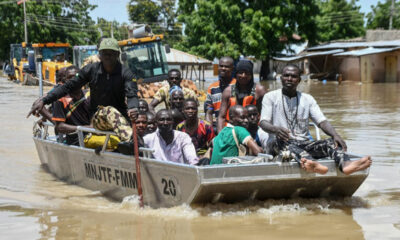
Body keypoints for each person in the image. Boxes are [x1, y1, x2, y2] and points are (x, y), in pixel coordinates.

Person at [259, 64, 372, 175]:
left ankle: (345, 165)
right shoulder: (270, 97)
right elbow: (263, 122)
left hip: (302, 143)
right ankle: (310, 163)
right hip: (277, 144)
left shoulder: (308, 99)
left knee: (332, 142)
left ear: (299, 80)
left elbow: (322, 122)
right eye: (286, 75)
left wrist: (335, 135)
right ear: (281, 78)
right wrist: (275, 129)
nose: (289, 79)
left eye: (293, 76)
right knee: (282, 141)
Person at [28, 38, 139, 142]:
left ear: (117, 55)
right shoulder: (91, 70)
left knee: (140, 116)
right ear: (100, 55)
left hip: (120, 118)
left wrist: (133, 108)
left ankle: (136, 144)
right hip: (98, 118)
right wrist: (45, 100)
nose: (108, 56)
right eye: (105, 53)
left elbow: (132, 94)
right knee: (109, 110)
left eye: (111, 53)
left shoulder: (126, 73)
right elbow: (68, 87)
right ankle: (131, 141)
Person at [217, 60, 267, 132]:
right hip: (233, 130)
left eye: (247, 73)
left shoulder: (260, 91)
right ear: (236, 74)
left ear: (251, 75)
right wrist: (221, 136)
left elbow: (266, 115)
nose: (243, 75)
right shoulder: (228, 91)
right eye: (240, 73)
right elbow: (221, 117)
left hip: (253, 130)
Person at [52, 66, 91, 145]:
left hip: (94, 135)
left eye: (76, 76)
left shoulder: (89, 95)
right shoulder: (60, 99)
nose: (74, 80)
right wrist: (85, 129)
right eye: (70, 78)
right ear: (65, 81)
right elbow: (59, 127)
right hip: (76, 140)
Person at [204, 56, 236, 124]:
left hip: (233, 124)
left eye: (226, 67)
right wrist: (209, 128)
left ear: (232, 69)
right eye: (221, 66)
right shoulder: (212, 88)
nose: (223, 68)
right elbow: (209, 111)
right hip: (218, 124)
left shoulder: (236, 86)